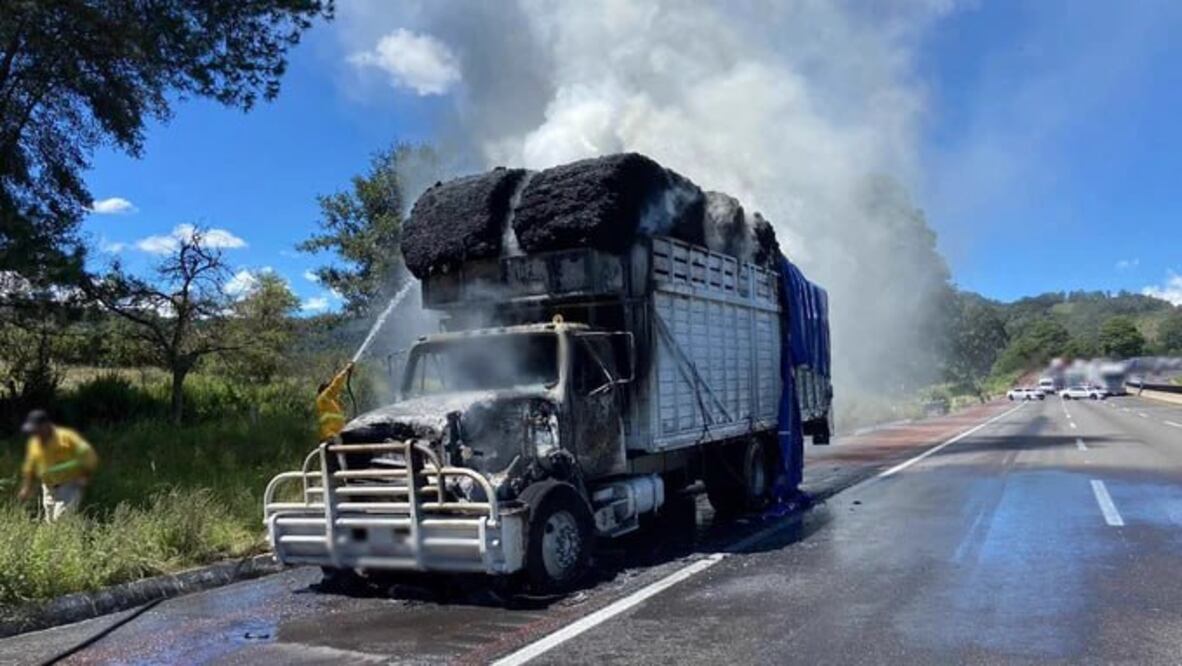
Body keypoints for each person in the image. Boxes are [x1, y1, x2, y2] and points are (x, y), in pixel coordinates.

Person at [17, 410, 98, 521]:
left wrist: (84, 476)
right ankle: (70, 536)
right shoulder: (34, 443)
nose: (35, 433)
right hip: (48, 487)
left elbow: (88, 454)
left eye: (36, 430)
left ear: (45, 426)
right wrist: (27, 488)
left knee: (60, 520)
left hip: (68, 485)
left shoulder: (66, 437)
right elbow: (30, 468)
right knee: (50, 522)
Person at [316, 361, 354, 442]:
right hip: (329, 438)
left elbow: (337, 420)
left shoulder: (332, 403)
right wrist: (345, 370)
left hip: (336, 437)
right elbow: (334, 386)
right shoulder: (323, 398)